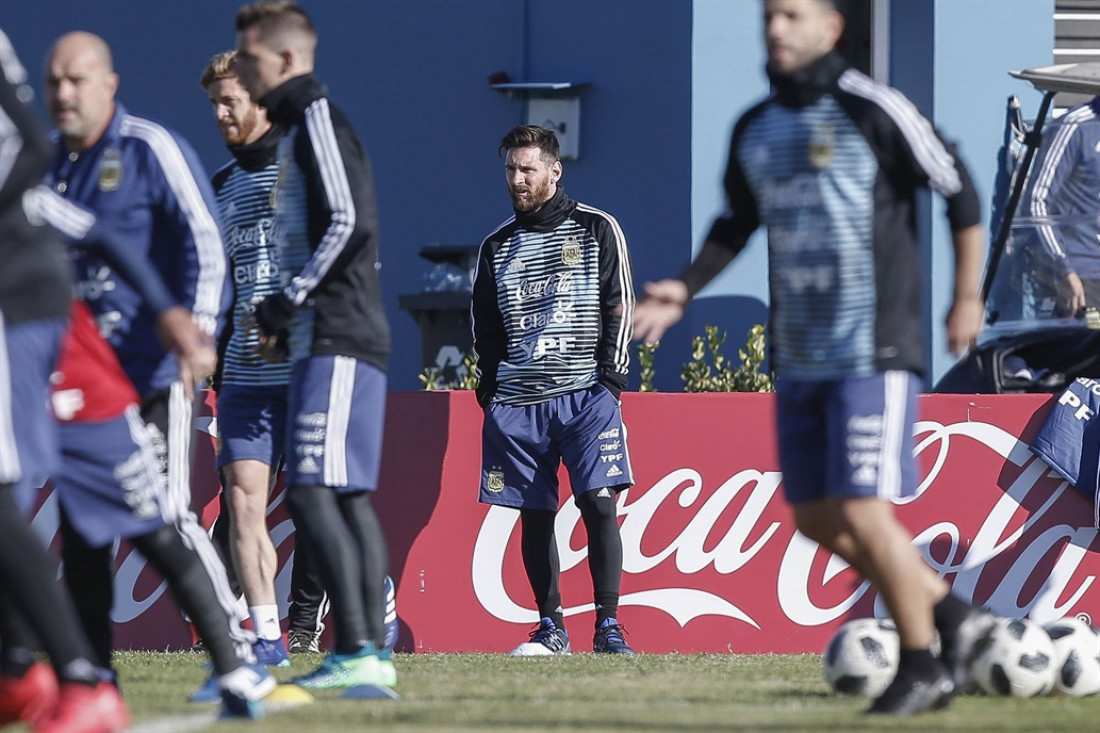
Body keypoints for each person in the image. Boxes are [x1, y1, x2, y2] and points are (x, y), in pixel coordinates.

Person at [632, 0, 993, 715]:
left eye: (791, 15)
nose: (775, 28)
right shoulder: (756, 128)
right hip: (800, 355)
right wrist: (684, 287)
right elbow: (735, 223)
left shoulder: (875, 107)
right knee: (814, 517)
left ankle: (923, 665)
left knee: (863, 506)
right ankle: (955, 620)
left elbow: (959, 189)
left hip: (873, 346)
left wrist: (967, 296)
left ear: (830, 27)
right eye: (769, 15)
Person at [41, 30, 244, 687]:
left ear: (109, 84)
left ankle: (236, 659)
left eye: (77, 80)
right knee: (83, 531)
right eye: (54, 83)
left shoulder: (150, 149)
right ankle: (92, 676)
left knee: (163, 517)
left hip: (157, 371)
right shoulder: (49, 167)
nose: (64, 94)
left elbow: (207, 245)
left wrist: (201, 334)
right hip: (83, 382)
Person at [234, 0, 396, 688]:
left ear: (289, 59)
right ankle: (368, 657)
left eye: (250, 58)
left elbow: (350, 220)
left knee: (311, 493)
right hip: (323, 335)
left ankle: (358, 647)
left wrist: (288, 296)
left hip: (338, 332)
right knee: (342, 496)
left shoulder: (316, 116)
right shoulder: (299, 126)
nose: (243, 70)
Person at [0, 26, 129, 733]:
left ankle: (79, 678)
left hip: (14, 294)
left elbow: (25, 143)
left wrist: (179, 318)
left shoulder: (142, 149)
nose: (62, 95)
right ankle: (19, 670)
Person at [471, 125, 637, 656]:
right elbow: (485, 328)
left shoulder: (597, 227)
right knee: (534, 514)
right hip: (518, 404)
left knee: (598, 503)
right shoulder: (495, 246)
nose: (517, 179)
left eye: (527, 169)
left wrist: (610, 382)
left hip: (585, 394)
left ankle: (608, 625)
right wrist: (490, 390)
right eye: (510, 170)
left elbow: (620, 302)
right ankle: (551, 627)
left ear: (554, 170)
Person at [199, 48, 327, 665]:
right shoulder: (219, 188)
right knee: (243, 500)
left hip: (308, 368)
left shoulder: (307, 170)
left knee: (315, 505)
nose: (221, 113)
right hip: (246, 373)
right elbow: (213, 286)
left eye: (232, 101)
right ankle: (268, 638)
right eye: (215, 103)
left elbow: (342, 262)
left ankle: (363, 597)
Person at [1023, 94, 1100, 317]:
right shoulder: (1074, 126)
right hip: (1084, 279)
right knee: (1092, 342)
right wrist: (1062, 268)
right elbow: (1036, 202)